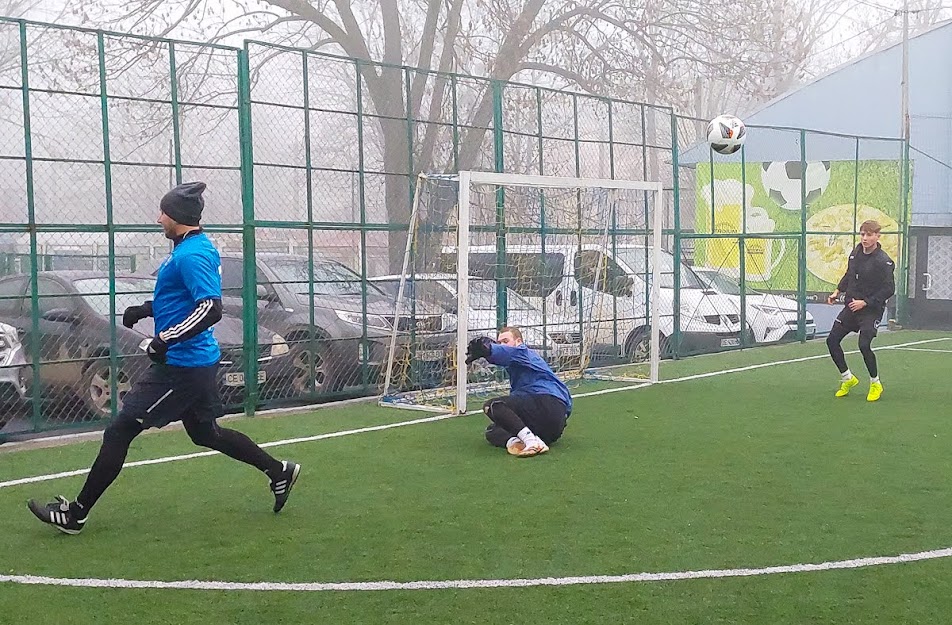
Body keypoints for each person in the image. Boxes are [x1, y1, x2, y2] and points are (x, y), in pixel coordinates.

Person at [27, 182, 301, 534]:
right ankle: (279, 472)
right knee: (206, 435)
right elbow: (184, 298)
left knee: (119, 430)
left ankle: (76, 514)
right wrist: (146, 309)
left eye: (164, 213)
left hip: (182, 367)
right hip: (194, 362)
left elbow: (209, 308)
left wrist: (164, 339)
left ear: (179, 218)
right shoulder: (189, 248)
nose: (159, 219)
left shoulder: (193, 254)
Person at [465, 326, 572, 457]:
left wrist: (489, 349)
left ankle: (530, 442)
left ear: (518, 341)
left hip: (547, 404)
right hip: (552, 428)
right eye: (499, 343)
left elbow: (504, 353)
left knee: (493, 406)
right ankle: (528, 441)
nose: (502, 345)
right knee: (493, 430)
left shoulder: (523, 351)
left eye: (506, 341)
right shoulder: (518, 365)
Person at [826, 219, 895, 402]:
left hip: (871, 309)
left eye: (869, 234)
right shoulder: (855, 253)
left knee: (864, 345)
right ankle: (848, 378)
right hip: (851, 307)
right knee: (832, 340)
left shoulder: (884, 261)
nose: (864, 238)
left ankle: (875, 383)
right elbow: (849, 274)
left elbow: (889, 289)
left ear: (877, 236)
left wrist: (865, 302)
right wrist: (837, 291)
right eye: (862, 234)